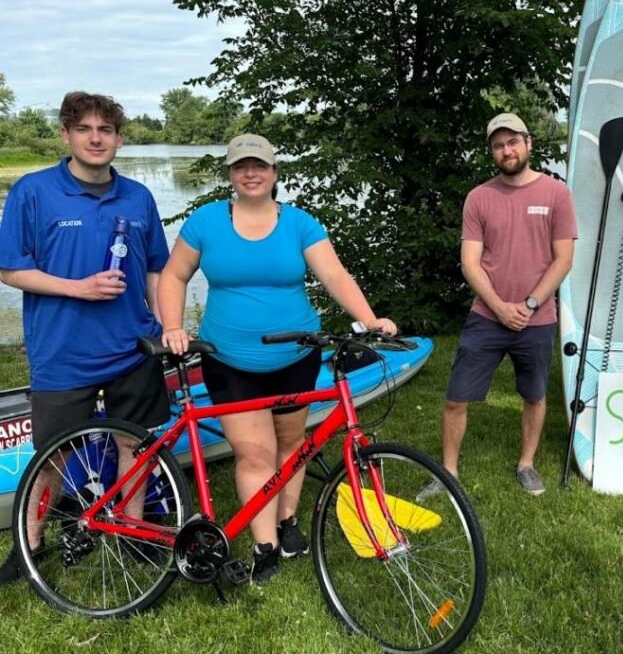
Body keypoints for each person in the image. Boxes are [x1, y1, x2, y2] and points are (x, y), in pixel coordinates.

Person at [158, 133, 396, 583]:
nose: (251, 173)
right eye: (241, 166)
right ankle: (263, 545)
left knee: (292, 448)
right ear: (229, 174)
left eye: (260, 166)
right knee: (255, 454)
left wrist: (369, 319)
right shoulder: (206, 221)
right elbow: (173, 274)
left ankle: (288, 523)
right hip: (229, 361)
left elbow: (334, 275)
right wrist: (173, 325)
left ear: (274, 173)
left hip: (296, 357)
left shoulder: (299, 224)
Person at [0, 91, 170, 584]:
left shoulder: (138, 196)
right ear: (67, 135)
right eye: (85, 129)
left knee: (133, 445)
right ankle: (29, 546)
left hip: (132, 347)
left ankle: (133, 532)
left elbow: (157, 267)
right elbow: (11, 269)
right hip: (62, 351)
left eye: (106, 130)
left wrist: (161, 324)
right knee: (53, 454)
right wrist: (77, 288)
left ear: (119, 139)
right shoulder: (33, 191)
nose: (96, 139)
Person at [419, 113, 577, 500]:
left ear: (528, 144)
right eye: (498, 145)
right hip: (487, 316)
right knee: (456, 397)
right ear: (492, 151)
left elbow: (563, 260)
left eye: (512, 142)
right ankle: (448, 472)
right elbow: (470, 262)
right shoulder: (479, 197)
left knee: (534, 395)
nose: (506, 150)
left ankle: (526, 463)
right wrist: (500, 306)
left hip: (537, 319)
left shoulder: (557, 194)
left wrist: (528, 304)